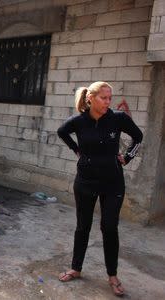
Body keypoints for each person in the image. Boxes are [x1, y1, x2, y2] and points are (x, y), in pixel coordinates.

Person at [56, 81, 143, 297]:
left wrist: (128, 157)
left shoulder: (118, 118)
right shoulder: (79, 121)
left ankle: (112, 276)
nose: (108, 102)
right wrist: (76, 150)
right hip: (85, 182)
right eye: (103, 98)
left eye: (109, 98)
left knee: (109, 227)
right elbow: (61, 131)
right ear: (90, 99)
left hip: (113, 182)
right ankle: (76, 269)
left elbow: (138, 137)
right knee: (82, 226)